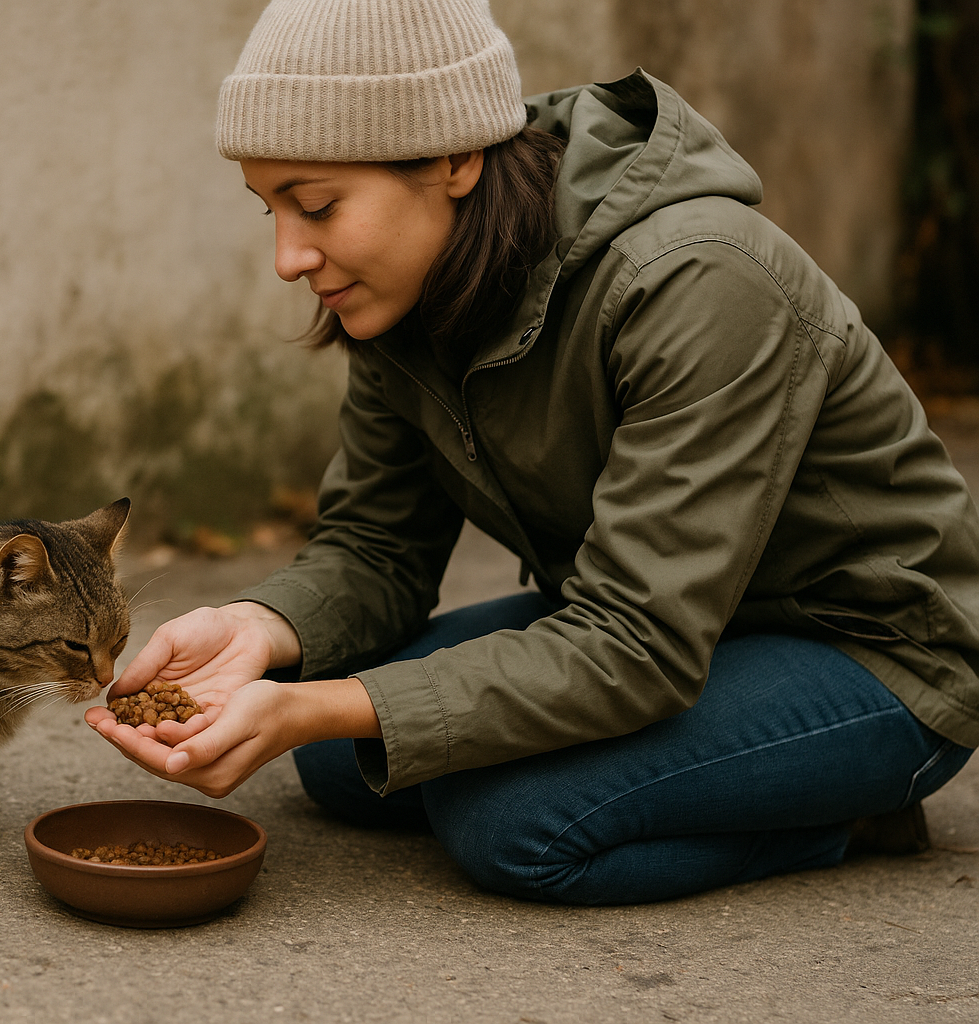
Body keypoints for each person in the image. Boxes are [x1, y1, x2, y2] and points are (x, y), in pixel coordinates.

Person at [85, 0, 979, 905]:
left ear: (454, 159)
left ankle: (845, 809)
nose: (287, 257)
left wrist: (317, 708)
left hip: (867, 652)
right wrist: (259, 628)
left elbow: (636, 641)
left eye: (316, 205)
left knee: (512, 821)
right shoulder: (402, 290)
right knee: (338, 760)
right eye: (270, 208)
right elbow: (377, 548)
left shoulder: (698, 278)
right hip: (678, 627)